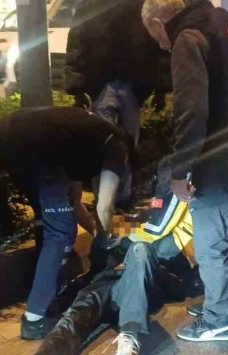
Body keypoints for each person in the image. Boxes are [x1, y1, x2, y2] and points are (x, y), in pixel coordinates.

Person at [141, 0, 228, 342]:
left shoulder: (189, 38)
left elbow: (191, 110)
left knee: (211, 242)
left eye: (154, 36)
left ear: (159, 22)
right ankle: (223, 303)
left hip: (218, 157)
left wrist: (180, 170)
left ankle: (219, 319)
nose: (160, 44)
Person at [14, 199, 200, 355]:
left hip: (136, 288)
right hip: (104, 285)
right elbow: (92, 272)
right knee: (76, 316)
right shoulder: (107, 239)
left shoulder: (156, 239)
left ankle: (130, 335)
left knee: (141, 250)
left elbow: (176, 277)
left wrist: (133, 248)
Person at [0, 106, 132, 341]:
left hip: (7, 140)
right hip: (34, 143)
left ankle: (48, 299)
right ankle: (34, 319)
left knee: (53, 222)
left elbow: (74, 204)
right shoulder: (117, 145)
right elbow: (105, 206)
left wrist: (97, 232)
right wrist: (110, 243)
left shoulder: (80, 139)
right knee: (61, 232)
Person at [65, 0, 171, 215]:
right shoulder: (92, 5)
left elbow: (155, 44)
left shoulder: (137, 4)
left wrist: (160, 86)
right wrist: (77, 87)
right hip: (106, 83)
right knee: (107, 144)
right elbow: (77, 42)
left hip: (130, 83)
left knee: (124, 144)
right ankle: (109, 200)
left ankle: (117, 199)